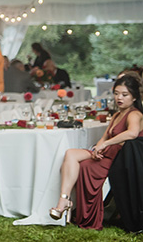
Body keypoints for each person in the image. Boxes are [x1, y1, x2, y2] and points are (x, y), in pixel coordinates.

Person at [51, 75, 143, 229]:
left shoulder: (135, 114)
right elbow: (104, 137)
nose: (119, 98)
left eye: (124, 95)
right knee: (70, 154)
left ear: (134, 97)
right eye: (116, 93)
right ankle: (64, 200)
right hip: (107, 153)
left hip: (120, 159)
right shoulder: (116, 115)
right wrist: (96, 149)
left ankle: (70, 207)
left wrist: (105, 144)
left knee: (85, 165)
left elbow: (132, 133)